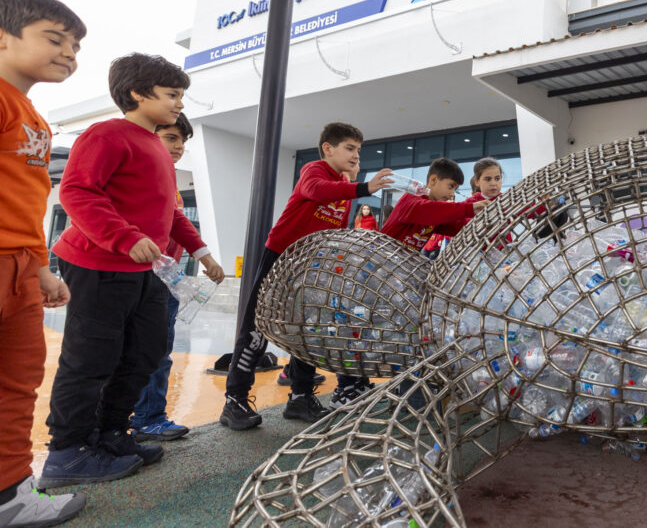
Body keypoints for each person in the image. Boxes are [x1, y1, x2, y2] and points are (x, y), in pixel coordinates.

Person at [41, 53, 216, 490]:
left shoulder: (157, 147)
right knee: (90, 359)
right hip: (98, 264)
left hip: (147, 270)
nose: (179, 103)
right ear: (138, 93)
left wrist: (203, 252)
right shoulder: (106, 135)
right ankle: (67, 452)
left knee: (145, 350)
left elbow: (172, 214)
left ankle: (112, 434)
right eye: (172, 94)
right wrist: (122, 236)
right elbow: (78, 192)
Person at [220, 122, 393, 431]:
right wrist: (365, 187)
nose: (356, 156)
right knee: (257, 330)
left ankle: (300, 398)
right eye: (350, 148)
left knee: (308, 332)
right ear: (328, 148)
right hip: (280, 258)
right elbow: (315, 191)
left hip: (311, 268)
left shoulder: (342, 184)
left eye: (358, 150)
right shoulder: (315, 171)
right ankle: (234, 401)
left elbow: (334, 231)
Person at [0, 0, 87, 524]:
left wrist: (41, 267)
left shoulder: (33, 113)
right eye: (54, 39)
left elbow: (25, 200)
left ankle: (10, 496)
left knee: (18, 380)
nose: (69, 54)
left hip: (20, 269)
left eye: (75, 46)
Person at [130, 113, 225, 442]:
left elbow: (175, 220)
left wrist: (203, 255)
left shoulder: (167, 176)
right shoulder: (134, 168)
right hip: (129, 274)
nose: (179, 147)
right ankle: (114, 423)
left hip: (163, 277)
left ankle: (148, 417)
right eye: (171, 138)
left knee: (158, 352)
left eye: (183, 141)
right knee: (121, 353)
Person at [381, 158, 488, 252]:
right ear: (433, 180)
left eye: (455, 189)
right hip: (379, 262)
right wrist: (470, 208)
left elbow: (458, 225)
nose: (452, 193)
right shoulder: (411, 199)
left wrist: (484, 223)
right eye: (450, 186)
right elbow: (426, 210)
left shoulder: (436, 215)